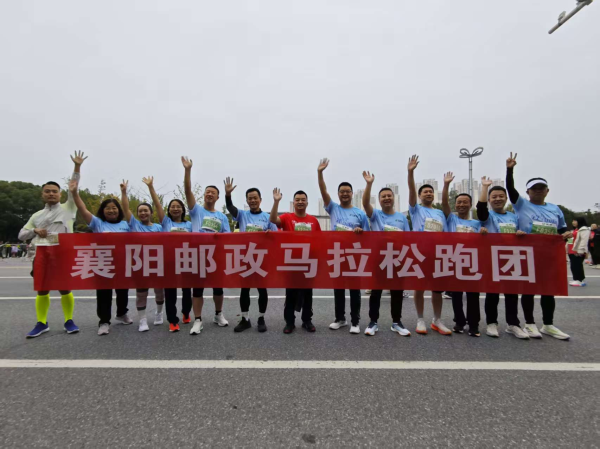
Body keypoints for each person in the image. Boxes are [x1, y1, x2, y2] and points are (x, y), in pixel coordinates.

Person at [18, 151, 87, 338]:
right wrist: (34, 230)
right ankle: (41, 323)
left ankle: (69, 320)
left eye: (54, 191)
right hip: (41, 255)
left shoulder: (68, 208)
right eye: (47, 191)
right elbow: (21, 235)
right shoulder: (36, 216)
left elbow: (74, 188)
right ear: (42, 194)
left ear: (60, 194)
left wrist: (77, 167)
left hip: (63, 255)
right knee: (42, 289)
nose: (51, 194)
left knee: (65, 288)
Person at [506, 152, 571, 340]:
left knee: (548, 291)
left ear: (547, 191)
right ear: (528, 192)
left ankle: (548, 324)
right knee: (529, 290)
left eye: (541, 188)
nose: (538, 191)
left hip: (549, 255)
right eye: (534, 189)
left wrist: (565, 235)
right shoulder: (521, 205)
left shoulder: (554, 209)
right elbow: (510, 189)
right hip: (528, 254)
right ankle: (529, 323)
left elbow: (562, 229)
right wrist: (509, 170)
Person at [70, 178, 131, 336]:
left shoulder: (126, 225)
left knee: (123, 292)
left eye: (114, 208)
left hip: (122, 263)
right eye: (107, 208)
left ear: (119, 210)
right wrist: (75, 193)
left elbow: (127, 208)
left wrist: (124, 192)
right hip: (103, 263)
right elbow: (82, 208)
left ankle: (122, 313)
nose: (111, 211)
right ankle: (104, 321)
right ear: (102, 211)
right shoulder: (97, 223)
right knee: (104, 294)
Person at [317, 158, 370, 334]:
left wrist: (360, 231)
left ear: (352, 193)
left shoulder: (360, 213)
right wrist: (320, 173)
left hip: (354, 255)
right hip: (337, 254)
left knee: (354, 290)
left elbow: (368, 235)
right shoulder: (333, 208)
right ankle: (340, 318)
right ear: (338, 194)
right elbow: (323, 191)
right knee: (338, 289)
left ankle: (355, 321)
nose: (345, 194)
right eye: (342, 192)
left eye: (347, 191)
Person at [476, 177, 530, 339]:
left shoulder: (514, 217)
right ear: (490, 200)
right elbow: (481, 209)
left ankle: (513, 324)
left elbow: (524, 235)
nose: (498, 199)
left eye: (501, 196)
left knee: (511, 293)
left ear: (506, 199)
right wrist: (485, 187)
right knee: (492, 293)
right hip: (492, 259)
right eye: (494, 197)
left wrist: (520, 234)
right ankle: (491, 323)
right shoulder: (487, 217)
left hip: (511, 259)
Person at [182, 156, 230, 335]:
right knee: (198, 289)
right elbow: (187, 191)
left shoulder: (222, 217)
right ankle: (198, 320)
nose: (209, 194)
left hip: (215, 257)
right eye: (207, 192)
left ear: (217, 197)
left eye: (213, 193)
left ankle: (218, 314)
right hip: (197, 255)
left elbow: (228, 237)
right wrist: (188, 170)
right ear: (204, 195)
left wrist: (220, 238)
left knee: (218, 288)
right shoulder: (196, 211)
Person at [224, 177, 278, 333]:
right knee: (245, 289)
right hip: (245, 257)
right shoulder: (242, 215)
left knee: (262, 290)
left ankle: (261, 318)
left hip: (261, 259)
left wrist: (270, 235)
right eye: (250, 198)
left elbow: (276, 237)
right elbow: (230, 207)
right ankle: (245, 319)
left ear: (260, 200)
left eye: (255, 198)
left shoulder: (268, 217)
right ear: (247, 201)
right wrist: (228, 195)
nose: (253, 200)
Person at [361, 171, 411, 337]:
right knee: (376, 292)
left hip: (397, 259)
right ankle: (373, 322)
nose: (387, 198)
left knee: (397, 292)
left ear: (393, 198)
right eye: (383, 196)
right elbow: (365, 203)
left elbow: (408, 238)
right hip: (379, 259)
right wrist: (369, 184)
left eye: (389, 196)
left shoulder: (401, 218)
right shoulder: (376, 215)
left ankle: (396, 322)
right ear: (380, 200)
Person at [407, 155, 452, 336]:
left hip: (438, 255)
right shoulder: (415, 209)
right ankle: (420, 319)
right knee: (419, 287)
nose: (428, 194)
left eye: (431, 192)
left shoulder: (440, 213)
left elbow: (446, 234)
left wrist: (446, 185)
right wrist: (410, 172)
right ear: (419, 196)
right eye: (425, 192)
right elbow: (411, 190)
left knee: (437, 290)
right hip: (420, 253)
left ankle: (437, 320)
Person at [143, 176, 194, 333]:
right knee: (170, 292)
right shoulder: (165, 222)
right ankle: (172, 320)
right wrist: (151, 187)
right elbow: (157, 204)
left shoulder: (190, 224)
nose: (175, 209)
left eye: (178, 206)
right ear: (169, 210)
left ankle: (186, 312)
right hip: (169, 262)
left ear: (183, 209)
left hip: (186, 261)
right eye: (172, 206)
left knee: (187, 291)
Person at [441, 172, 487, 337]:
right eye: (459, 202)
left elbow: (483, 242)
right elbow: (444, 203)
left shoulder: (477, 223)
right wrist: (446, 184)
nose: (461, 205)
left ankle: (474, 325)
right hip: (454, 261)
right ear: (455, 205)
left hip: (472, 263)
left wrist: (483, 233)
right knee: (456, 295)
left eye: (465, 202)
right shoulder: (451, 220)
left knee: (473, 295)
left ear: (470, 204)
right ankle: (459, 322)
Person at [270, 188, 321, 333]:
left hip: (308, 263)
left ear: (307, 203)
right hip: (291, 263)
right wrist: (276, 201)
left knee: (307, 294)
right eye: (297, 200)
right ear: (293, 203)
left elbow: (320, 240)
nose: (300, 202)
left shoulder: (313, 220)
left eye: (303, 200)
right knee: (291, 294)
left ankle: (307, 320)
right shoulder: (287, 218)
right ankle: (289, 322)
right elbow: (273, 220)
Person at [120, 180, 165, 332]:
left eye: (146, 210)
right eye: (140, 211)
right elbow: (125, 208)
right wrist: (124, 192)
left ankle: (159, 313)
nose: (143, 213)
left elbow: (159, 206)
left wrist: (151, 187)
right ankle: (143, 320)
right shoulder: (134, 225)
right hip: (140, 264)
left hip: (157, 263)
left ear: (151, 213)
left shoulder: (159, 227)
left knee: (159, 291)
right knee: (141, 293)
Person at [569, 217, 590, 287]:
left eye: (575, 221)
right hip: (573, 249)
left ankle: (579, 280)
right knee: (575, 265)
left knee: (576, 265)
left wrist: (580, 250)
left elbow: (584, 241)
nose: (573, 222)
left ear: (580, 221)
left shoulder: (584, 229)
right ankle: (578, 279)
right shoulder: (576, 229)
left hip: (578, 250)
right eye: (573, 221)